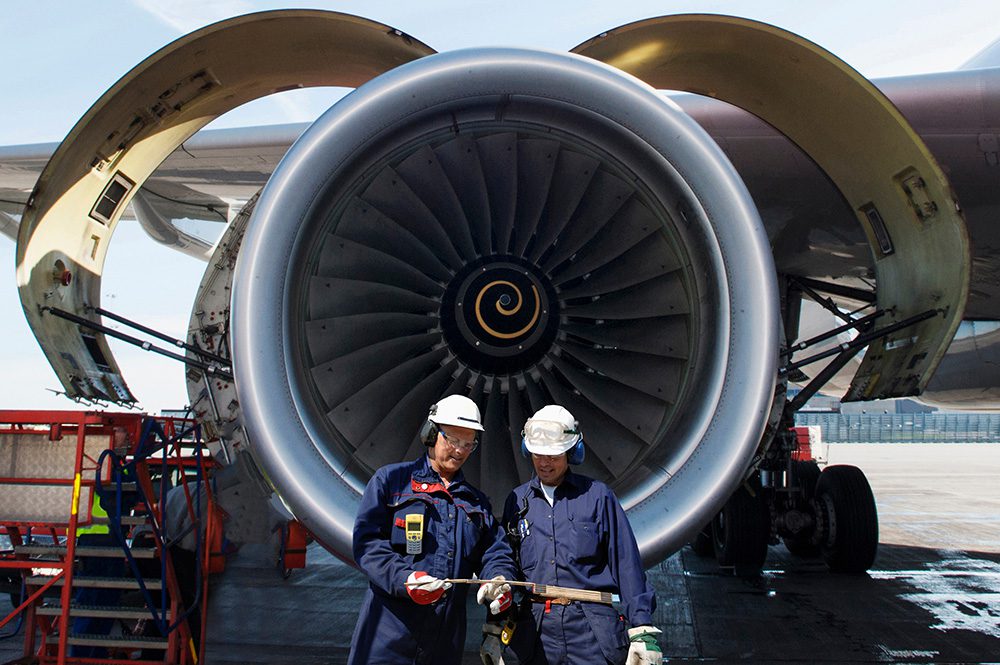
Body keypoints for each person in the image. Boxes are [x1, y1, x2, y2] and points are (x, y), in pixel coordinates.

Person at [347, 394, 517, 665]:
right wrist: (405, 578)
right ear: (431, 434)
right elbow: (368, 545)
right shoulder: (391, 483)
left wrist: (498, 579)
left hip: (443, 643)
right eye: (452, 440)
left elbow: (495, 551)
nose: (460, 451)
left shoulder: (476, 503)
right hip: (388, 636)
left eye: (468, 444)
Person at [493, 405, 662, 665]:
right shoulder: (516, 501)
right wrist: (494, 617)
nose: (544, 462)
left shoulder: (598, 497)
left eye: (553, 455)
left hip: (590, 631)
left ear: (572, 452)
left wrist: (642, 628)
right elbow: (505, 560)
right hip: (535, 631)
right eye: (538, 454)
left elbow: (626, 563)